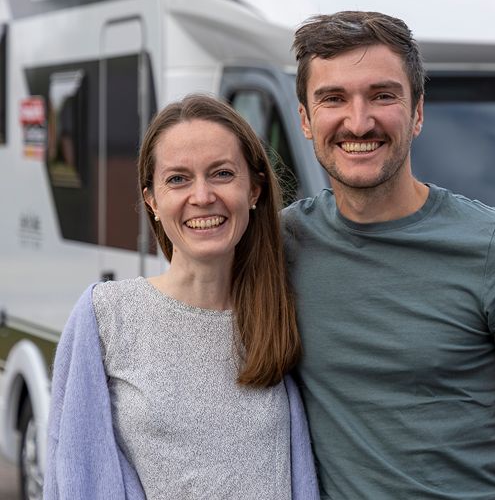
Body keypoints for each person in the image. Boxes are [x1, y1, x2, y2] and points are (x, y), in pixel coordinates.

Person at [282, 11, 495, 499]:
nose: (358, 121)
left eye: (383, 96)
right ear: (304, 119)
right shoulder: (282, 245)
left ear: (418, 111)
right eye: (333, 98)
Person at [45, 94, 319, 500]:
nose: (202, 195)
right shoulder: (106, 316)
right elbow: (73, 473)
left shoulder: (279, 313)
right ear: (152, 201)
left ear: (255, 190)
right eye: (178, 179)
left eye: (222, 173)